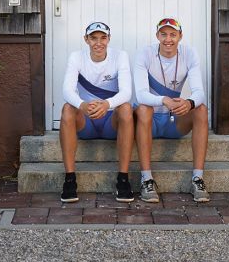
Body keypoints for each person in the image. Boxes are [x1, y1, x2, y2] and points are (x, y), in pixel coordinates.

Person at [133, 17, 210, 203]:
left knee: (201, 109)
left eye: (173, 34)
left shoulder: (189, 53)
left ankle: (198, 178)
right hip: (148, 121)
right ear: (157, 35)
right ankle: (146, 179)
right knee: (143, 109)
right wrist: (163, 99)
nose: (168, 39)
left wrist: (189, 103)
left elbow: (200, 92)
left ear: (180, 36)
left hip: (173, 121)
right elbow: (141, 94)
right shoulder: (145, 53)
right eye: (164, 34)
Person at [59, 21, 135, 203]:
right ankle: (70, 180)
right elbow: (67, 90)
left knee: (125, 108)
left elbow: (126, 92)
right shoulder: (76, 57)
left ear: (109, 39)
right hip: (87, 121)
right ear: (86, 40)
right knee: (68, 108)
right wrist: (83, 105)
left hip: (110, 122)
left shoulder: (120, 56)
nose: (98, 43)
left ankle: (123, 179)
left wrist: (106, 104)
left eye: (103, 38)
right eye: (93, 38)